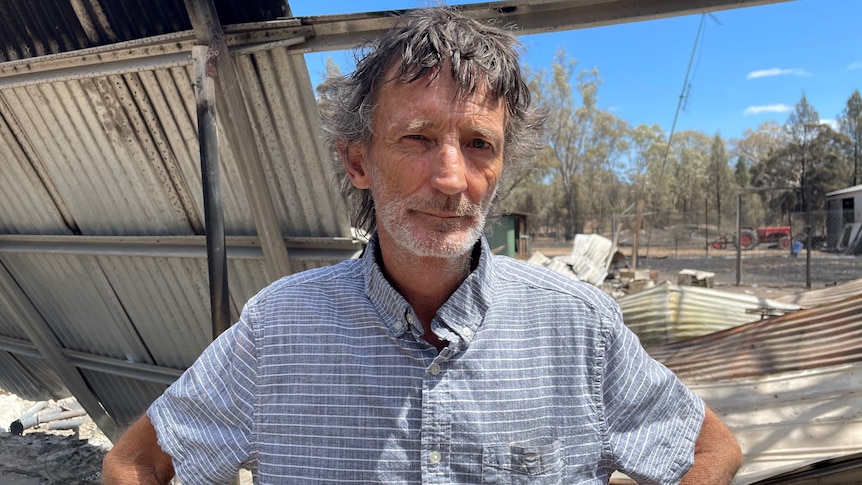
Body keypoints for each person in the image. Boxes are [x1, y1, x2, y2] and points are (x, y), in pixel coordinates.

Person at [102, 7, 742, 484]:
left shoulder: (579, 328)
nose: (451, 179)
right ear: (358, 162)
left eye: (479, 144)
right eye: (416, 137)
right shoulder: (279, 331)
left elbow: (711, 451)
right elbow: (135, 463)